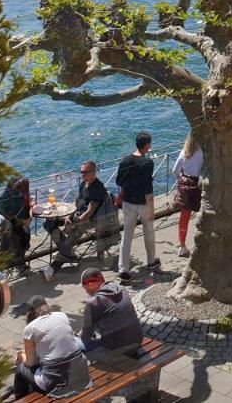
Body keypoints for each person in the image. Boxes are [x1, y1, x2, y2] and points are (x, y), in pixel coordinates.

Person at [8, 297, 90, 400]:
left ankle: (20, 399)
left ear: (30, 312)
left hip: (57, 382)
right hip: (80, 374)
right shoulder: (62, 316)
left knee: (21, 369)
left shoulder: (30, 329)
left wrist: (22, 356)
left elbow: (31, 363)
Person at [115, 132, 157, 281]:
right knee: (149, 232)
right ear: (147, 145)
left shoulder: (125, 161)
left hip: (127, 202)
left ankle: (123, 269)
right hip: (143, 203)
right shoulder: (148, 163)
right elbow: (148, 188)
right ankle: (151, 261)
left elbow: (118, 182)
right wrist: (151, 209)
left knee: (127, 236)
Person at [77, 268, 143, 355]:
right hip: (137, 342)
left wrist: (77, 335)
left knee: (75, 343)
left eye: (85, 288)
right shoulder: (122, 289)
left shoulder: (93, 303)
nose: (86, 292)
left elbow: (85, 337)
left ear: (90, 284)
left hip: (116, 351)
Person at [172, 137, 203, 257]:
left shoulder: (184, 152)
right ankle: (201, 242)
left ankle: (182, 246)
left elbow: (175, 170)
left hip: (184, 185)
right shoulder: (202, 152)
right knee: (202, 213)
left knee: (184, 218)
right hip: (197, 185)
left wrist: (180, 179)